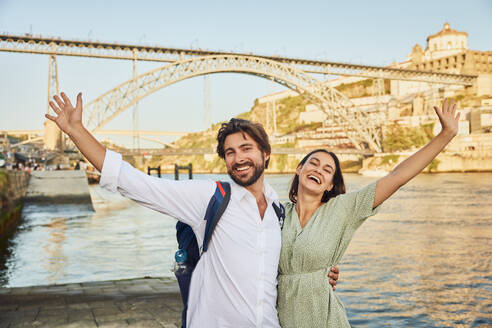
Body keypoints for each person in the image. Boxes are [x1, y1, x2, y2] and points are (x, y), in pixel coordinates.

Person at [45, 92, 338, 328]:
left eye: (246, 148)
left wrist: (320, 275)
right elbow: (135, 183)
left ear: (265, 154)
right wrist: (76, 130)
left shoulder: (279, 212)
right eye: (230, 152)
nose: (238, 158)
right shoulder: (209, 197)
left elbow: (285, 270)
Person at [276, 99, 460, 327]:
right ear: (299, 170)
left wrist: (446, 135)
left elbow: (396, 177)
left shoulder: (344, 209)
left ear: (330, 185)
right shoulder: (277, 213)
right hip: (280, 320)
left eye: (327, 170)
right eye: (312, 163)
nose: (318, 170)